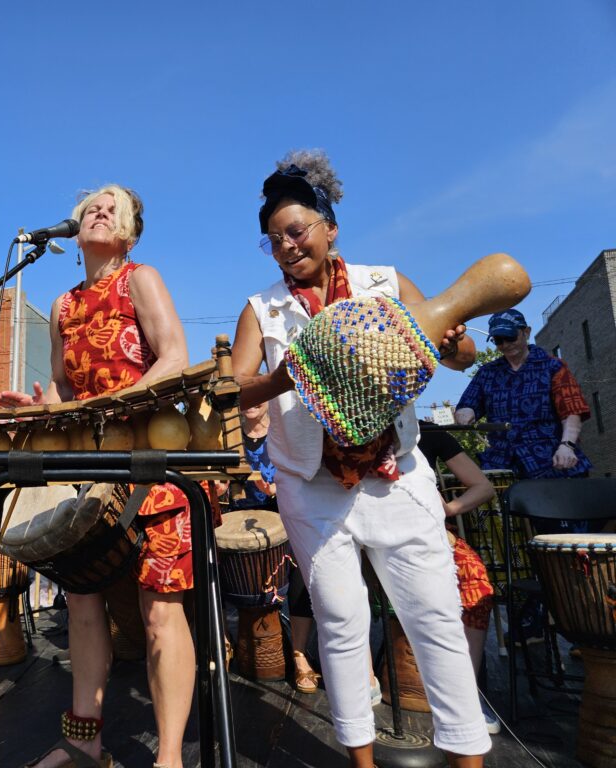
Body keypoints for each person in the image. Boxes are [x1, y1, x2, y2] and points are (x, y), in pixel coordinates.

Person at [231, 150, 490, 768]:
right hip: (310, 487)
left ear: (330, 227)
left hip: (396, 479)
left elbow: (459, 354)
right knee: (341, 625)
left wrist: (459, 345)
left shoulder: (384, 283)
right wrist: (281, 378)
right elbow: (231, 389)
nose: (287, 247)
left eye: (296, 231)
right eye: (274, 241)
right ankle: (361, 761)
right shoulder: (262, 309)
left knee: (435, 620)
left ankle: (468, 757)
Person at [0, 185, 195, 768]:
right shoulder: (61, 306)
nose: (98, 212)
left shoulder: (141, 278)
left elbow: (175, 356)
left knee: (161, 612)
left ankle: (169, 757)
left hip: (149, 469)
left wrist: (114, 404)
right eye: (90, 207)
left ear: (129, 232)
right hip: (90, 472)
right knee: (82, 606)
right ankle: (84, 742)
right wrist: (41, 407)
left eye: (112, 207)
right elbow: (62, 386)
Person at [455, 309, 593, 534]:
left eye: (510, 337)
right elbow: (467, 404)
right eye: (498, 340)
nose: (505, 344)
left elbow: (571, 409)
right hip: (503, 464)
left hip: (550, 461)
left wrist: (567, 445)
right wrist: (465, 412)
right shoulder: (487, 373)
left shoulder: (552, 366)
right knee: (510, 535)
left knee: (563, 533)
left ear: (526, 332)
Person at [228, 403, 319, 695]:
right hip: (240, 517)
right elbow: (216, 480)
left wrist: (282, 486)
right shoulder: (226, 435)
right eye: (246, 395)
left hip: (286, 513)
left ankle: (299, 653)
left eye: (258, 395)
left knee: (301, 576)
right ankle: (222, 642)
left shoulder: (284, 432)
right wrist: (219, 486)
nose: (252, 402)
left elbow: (309, 471)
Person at [416, 421, 500, 734]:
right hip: (370, 534)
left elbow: (483, 486)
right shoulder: (352, 423)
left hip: (427, 533)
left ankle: (465, 690)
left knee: (474, 578)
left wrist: (449, 510)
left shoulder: (431, 432)